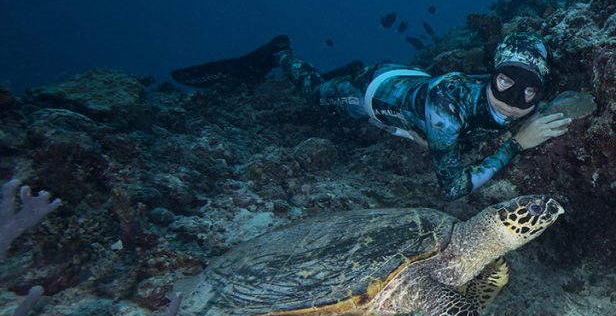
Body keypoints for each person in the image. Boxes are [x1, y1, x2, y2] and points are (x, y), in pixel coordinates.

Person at [171, 33, 572, 199]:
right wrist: (517, 144)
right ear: (492, 74)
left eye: (529, 91)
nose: (514, 101)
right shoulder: (449, 107)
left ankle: (338, 68)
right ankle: (280, 53)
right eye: (505, 83)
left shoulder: (506, 100)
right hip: (374, 94)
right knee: (318, 97)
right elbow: (450, 189)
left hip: (415, 83)